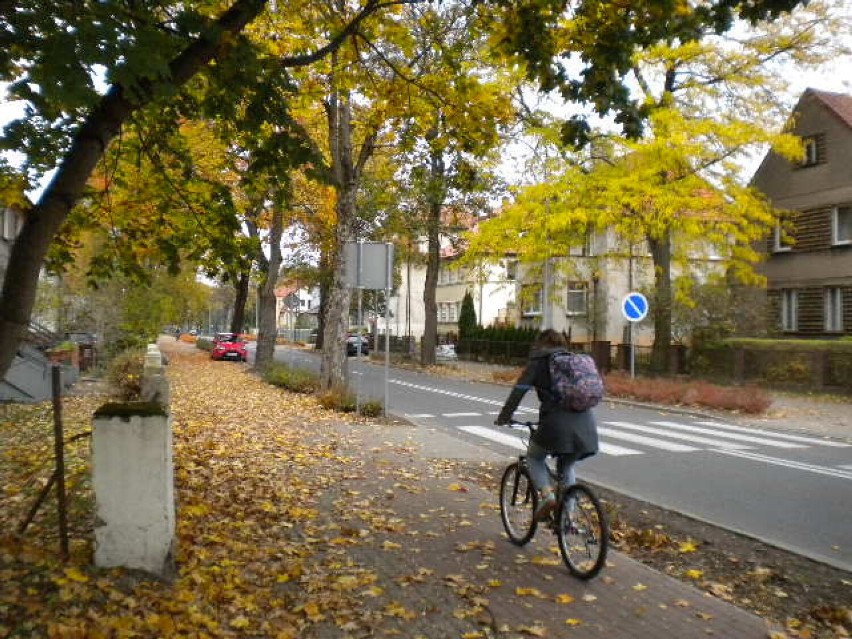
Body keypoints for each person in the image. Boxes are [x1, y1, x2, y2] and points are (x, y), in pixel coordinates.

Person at [495, 329, 599, 522]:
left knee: (534, 457)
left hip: (556, 424)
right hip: (586, 424)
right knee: (566, 467)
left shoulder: (539, 362)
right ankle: (567, 519)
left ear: (540, 344)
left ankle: (547, 496)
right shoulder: (574, 362)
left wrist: (504, 417)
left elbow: (519, 391)